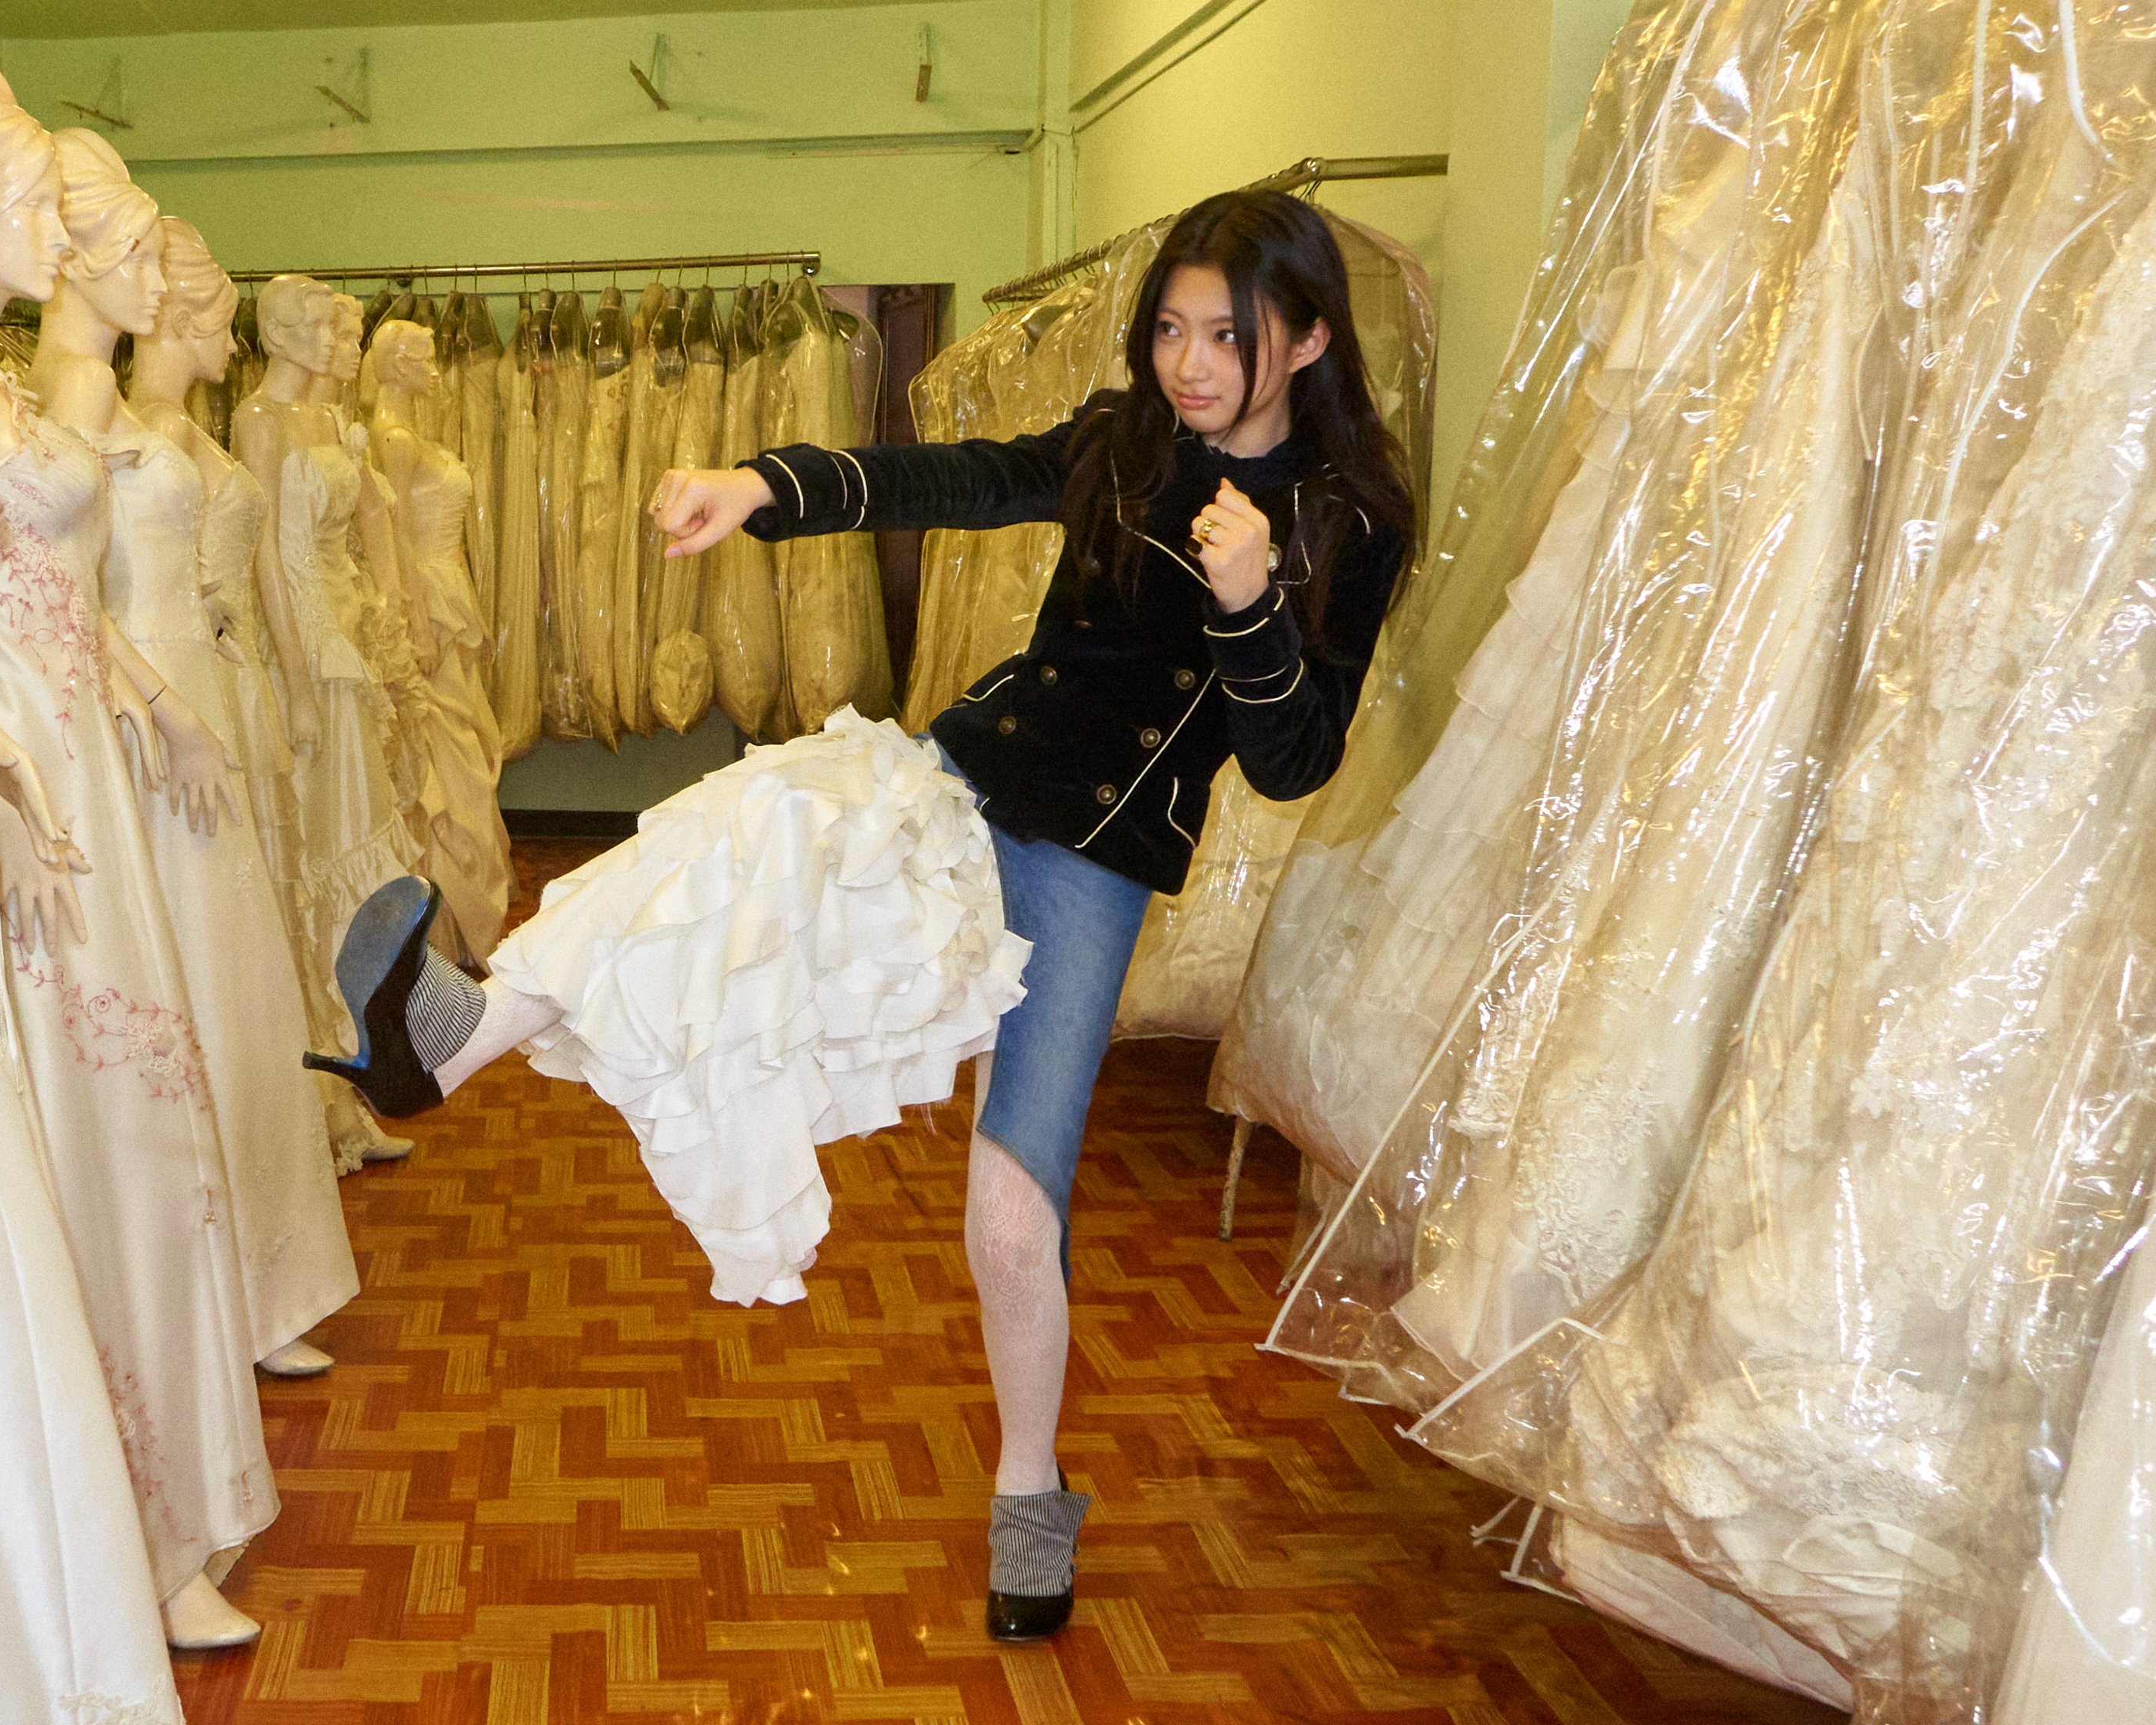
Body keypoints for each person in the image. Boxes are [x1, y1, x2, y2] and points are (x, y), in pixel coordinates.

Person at [306, 189, 1416, 1643]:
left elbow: (1295, 762)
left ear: (1309, 338)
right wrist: (761, 484)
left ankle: (1030, 1490)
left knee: (1011, 1214)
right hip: (966, 776)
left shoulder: (1351, 518)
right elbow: (957, 476)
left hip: (1092, 861)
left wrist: (1252, 603)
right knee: (737, 827)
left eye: (1225, 335)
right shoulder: (1127, 443)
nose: (1188, 364)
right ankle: (450, 1039)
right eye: (1169, 330)